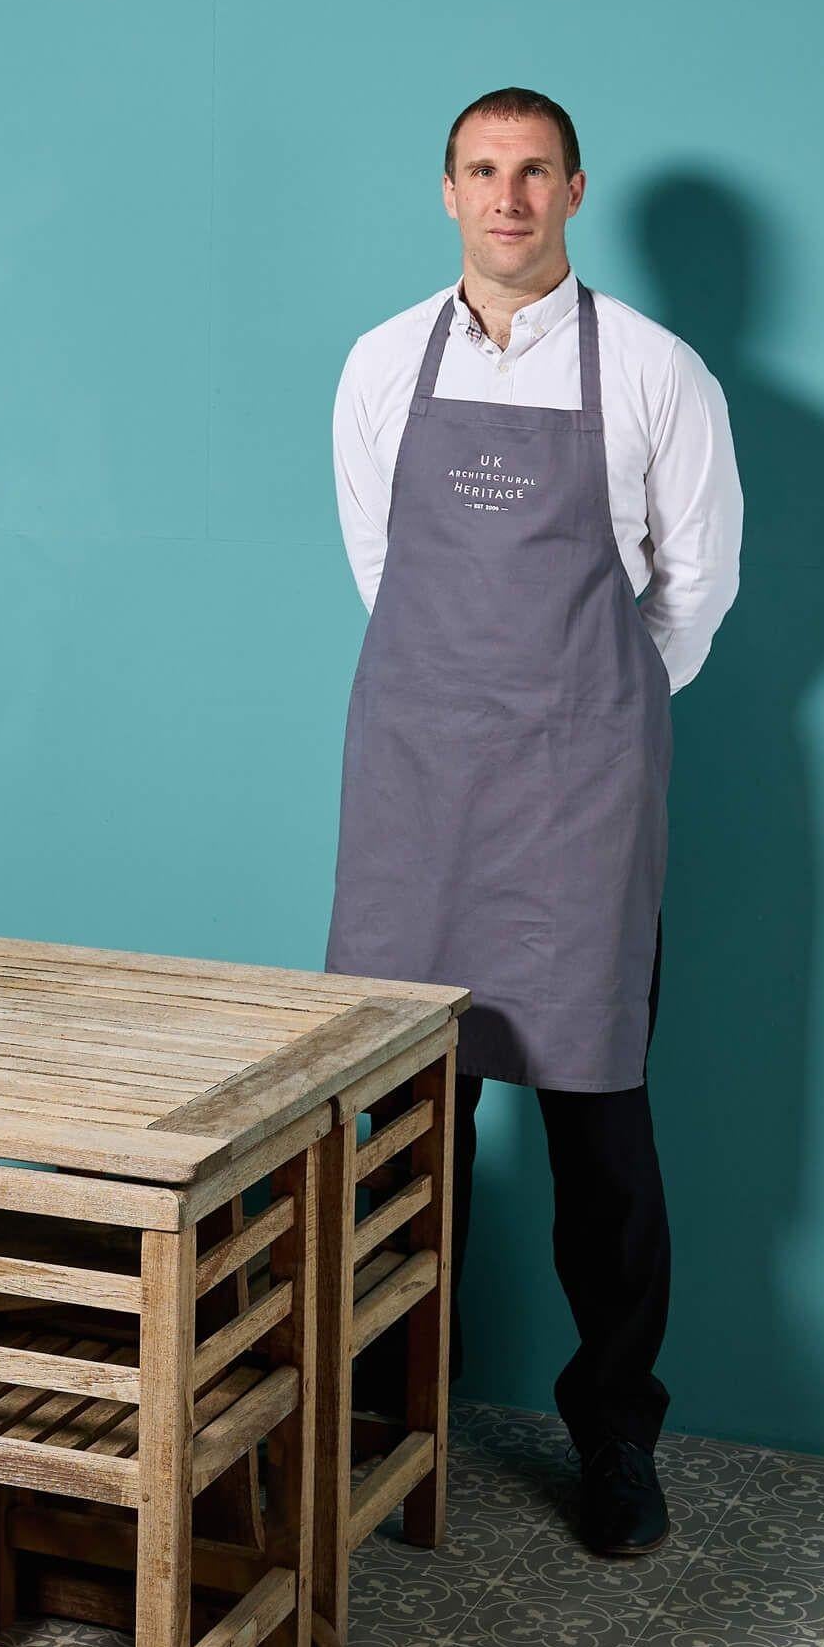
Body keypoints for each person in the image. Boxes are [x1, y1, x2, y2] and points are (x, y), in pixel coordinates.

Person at [326, 87, 743, 1554]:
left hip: (579, 790)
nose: (508, 198)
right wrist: (467, 697)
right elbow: (384, 563)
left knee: (600, 1138)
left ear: (575, 190)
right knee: (395, 1128)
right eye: (482, 172)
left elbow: (693, 595)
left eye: (534, 173)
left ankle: (617, 1436)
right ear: (447, 190)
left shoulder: (654, 371)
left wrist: (585, 714)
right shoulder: (384, 362)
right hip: (418, 783)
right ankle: (380, 1421)